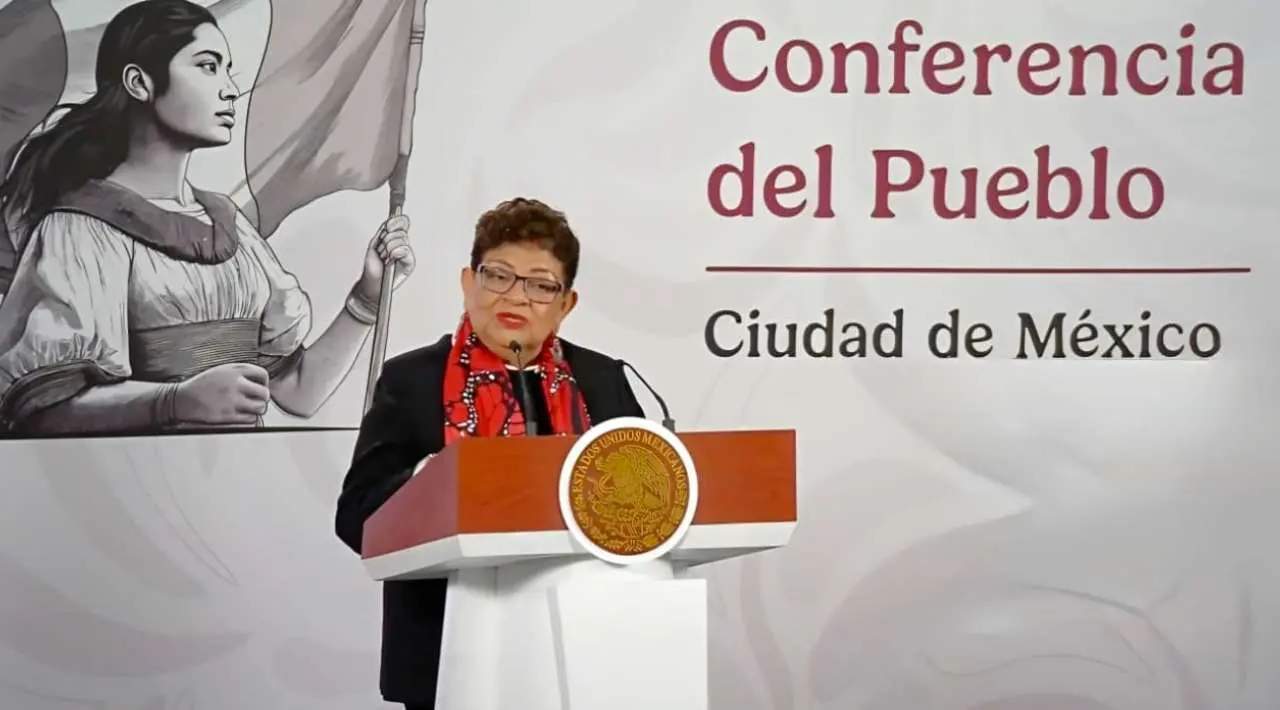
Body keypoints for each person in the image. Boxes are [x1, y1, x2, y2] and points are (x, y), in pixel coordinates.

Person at [0, 0, 414, 435]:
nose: (231, 89)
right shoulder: (80, 229)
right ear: (139, 83)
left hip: (238, 475)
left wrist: (367, 298)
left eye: (227, 69)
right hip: (132, 477)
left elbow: (298, 392)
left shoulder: (230, 225)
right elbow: (43, 410)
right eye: (207, 66)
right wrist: (175, 401)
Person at [335, 197, 646, 709]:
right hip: (447, 654)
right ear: (468, 282)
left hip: (581, 650)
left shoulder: (601, 380)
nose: (516, 297)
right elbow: (355, 520)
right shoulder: (413, 380)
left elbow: (649, 505)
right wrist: (426, 479)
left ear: (566, 304)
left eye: (540, 285)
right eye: (498, 276)